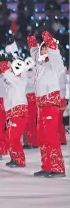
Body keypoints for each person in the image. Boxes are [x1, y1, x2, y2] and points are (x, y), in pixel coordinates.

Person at [28, 31, 66, 178]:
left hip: (51, 103)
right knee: (42, 137)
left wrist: (48, 40)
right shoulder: (39, 64)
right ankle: (47, 166)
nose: (43, 50)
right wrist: (32, 41)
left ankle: (58, 168)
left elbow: (54, 52)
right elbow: (33, 52)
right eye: (42, 48)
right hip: (41, 104)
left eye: (46, 48)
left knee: (51, 136)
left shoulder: (55, 63)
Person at [0, 57, 28, 168]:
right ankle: (15, 158)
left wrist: (5, 63)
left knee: (12, 137)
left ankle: (19, 160)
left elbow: (4, 73)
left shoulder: (20, 80)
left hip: (19, 112)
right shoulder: (13, 82)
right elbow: (3, 75)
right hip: (13, 112)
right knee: (10, 136)